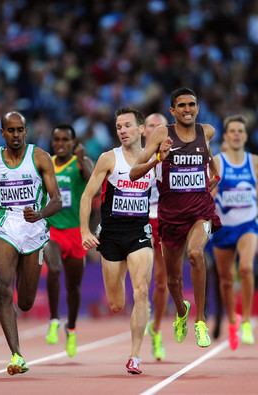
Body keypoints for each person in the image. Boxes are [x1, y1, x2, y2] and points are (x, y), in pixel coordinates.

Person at [130, 87, 220, 349]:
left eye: (192, 104)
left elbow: (208, 155)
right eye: (181, 105)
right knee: (172, 280)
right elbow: (135, 171)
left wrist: (215, 171)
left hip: (200, 211)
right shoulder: (162, 134)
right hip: (170, 216)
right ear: (173, 111)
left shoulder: (207, 131)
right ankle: (182, 311)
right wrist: (159, 157)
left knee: (195, 254)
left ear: (197, 107)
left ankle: (200, 321)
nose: (187, 109)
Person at [0, 111, 62, 375]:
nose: (15, 135)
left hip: (34, 226)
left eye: (20, 130)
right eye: (10, 130)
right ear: (2, 132)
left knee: (25, 301)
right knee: (3, 287)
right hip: (7, 224)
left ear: (25, 132)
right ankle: (16, 355)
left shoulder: (40, 157)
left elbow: (57, 200)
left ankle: (21, 314)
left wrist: (40, 214)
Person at [80, 107, 154, 375]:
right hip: (110, 235)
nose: (122, 130)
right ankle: (130, 302)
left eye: (127, 125)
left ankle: (135, 356)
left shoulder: (155, 159)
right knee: (116, 304)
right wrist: (85, 232)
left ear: (141, 129)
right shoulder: (108, 159)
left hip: (139, 232)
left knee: (142, 291)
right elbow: (87, 196)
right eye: (118, 127)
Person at [211, 114, 258, 350]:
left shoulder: (256, 162)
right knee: (225, 281)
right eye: (232, 131)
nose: (236, 134)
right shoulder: (217, 161)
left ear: (245, 136)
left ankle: (245, 320)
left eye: (240, 131)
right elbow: (208, 189)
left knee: (245, 268)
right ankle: (232, 321)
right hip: (223, 227)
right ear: (225, 136)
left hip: (248, 224)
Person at [43, 124, 93, 358]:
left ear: (73, 143)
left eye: (65, 140)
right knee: (53, 269)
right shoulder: (47, 164)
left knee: (73, 288)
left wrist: (82, 160)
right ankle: (54, 319)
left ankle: (71, 328)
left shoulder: (80, 162)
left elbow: (91, 181)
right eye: (57, 140)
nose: (61, 144)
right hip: (53, 231)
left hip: (76, 232)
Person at [143, 113, 169, 361]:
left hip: (164, 220)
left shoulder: (172, 156)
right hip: (139, 220)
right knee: (140, 281)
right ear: (143, 130)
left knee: (162, 282)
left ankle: (157, 330)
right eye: (152, 126)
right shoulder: (136, 156)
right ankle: (142, 318)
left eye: (160, 126)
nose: (156, 130)